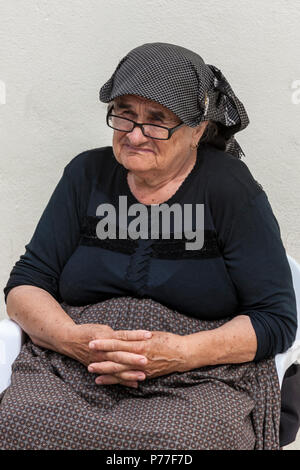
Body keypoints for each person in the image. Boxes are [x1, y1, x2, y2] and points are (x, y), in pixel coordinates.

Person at [0, 42, 298, 450]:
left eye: (157, 121)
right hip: (77, 365)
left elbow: (275, 319)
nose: (135, 134)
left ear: (198, 130)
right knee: (20, 420)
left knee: (182, 441)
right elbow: (26, 285)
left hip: (199, 376)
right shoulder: (85, 174)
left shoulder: (230, 189)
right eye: (125, 114)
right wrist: (71, 339)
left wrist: (180, 353)